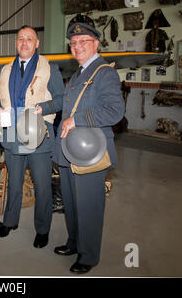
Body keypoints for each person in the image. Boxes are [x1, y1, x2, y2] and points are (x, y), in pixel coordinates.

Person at [52, 23, 125, 274]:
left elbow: (115, 112)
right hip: (70, 150)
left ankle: (89, 255)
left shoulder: (104, 73)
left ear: (96, 44)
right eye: (73, 42)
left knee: (89, 205)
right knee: (71, 203)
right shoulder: (78, 73)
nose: (77, 46)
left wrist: (78, 119)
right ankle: (74, 242)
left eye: (83, 41)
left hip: (90, 151)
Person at [0, 25, 64, 248]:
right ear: (16, 43)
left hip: (38, 135)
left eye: (29, 39)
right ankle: (10, 221)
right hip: (12, 135)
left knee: (42, 186)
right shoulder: (5, 69)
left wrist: (43, 107)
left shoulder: (50, 68)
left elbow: (62, 99)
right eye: (21, 39)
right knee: (14, 182)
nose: (24, 43)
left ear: (37, 43)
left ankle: (42, 230)